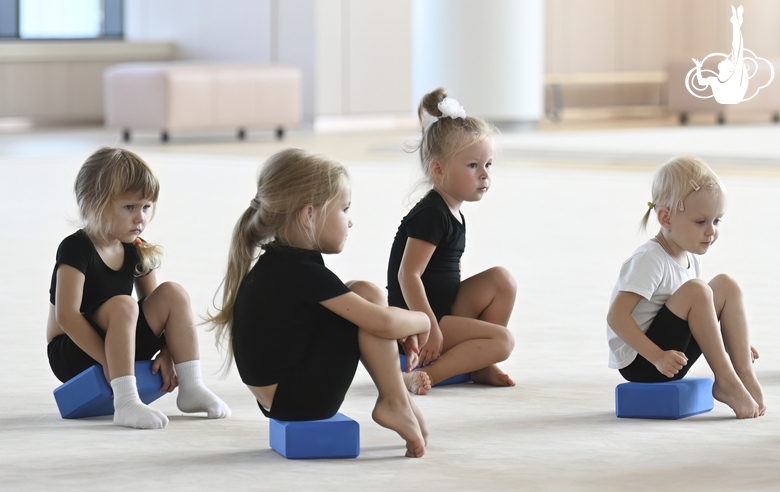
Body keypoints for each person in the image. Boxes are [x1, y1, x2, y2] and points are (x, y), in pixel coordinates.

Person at [207, 149, 430, 458]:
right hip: (302, 400)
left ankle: (398, 400)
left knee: (363, 291)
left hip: (280, 397)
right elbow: (385, 324)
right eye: (344, 209)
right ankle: (394, 401)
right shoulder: (302, 273)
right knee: (368, 305)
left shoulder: (280, 263)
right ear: (309, 214)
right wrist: (424, 321)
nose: (350, 222)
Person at [47, 147, 231, 429]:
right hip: (73, 349)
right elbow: (67, 316)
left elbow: (158, 308)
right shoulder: (76, 247)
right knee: (124, 304)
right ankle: (125, 401)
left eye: (146, 207)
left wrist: (168, 352)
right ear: (93, 204)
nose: (140, 218)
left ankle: (192, 387)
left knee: (173, 293)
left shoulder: (135, 247)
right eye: (129, 208)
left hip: (121, 339)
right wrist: (107, 361)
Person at [606, 156, 765, 419]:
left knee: (727, 285)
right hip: (643, 361)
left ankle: (743, 371)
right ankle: (725, 380)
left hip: (673, 355)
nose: (711, 231)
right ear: (666, 218)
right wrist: (656, 356)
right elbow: (616, 317)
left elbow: (696, 318)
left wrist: (732, 342)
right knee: (699, 291)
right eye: (701, 222)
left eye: (716, 221)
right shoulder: (649, 259)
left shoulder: (690, 257)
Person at [386, 88, 516, 395]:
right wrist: (428, 328)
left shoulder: (452, 208)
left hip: (441, 309)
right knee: (503, 341)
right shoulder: (431, 213)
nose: (484, 175)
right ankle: (426, 373)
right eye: (473, 166)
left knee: (502, 280)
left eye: (488, 165)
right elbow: (408, 274)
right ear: (438, 168)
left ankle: (481, 366)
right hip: (417, 320)